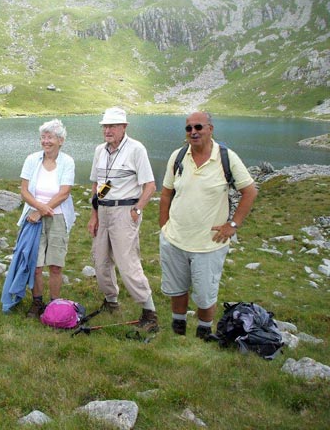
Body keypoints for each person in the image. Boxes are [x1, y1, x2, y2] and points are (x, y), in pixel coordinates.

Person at [159, 111, 258, 338]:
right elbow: (166, 193)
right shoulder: (178, 156)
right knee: (177, 288)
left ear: (210, 129)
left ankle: (204, 330)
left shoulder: (226, 157)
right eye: (188, 128)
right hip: (175, 239)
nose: (193, 132)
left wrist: (232, 224)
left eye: (198, 127)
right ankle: (178, 327)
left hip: (208, 244)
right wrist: (164, 227)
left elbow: (250, 191)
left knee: (205, 295)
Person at [87, 107, 159, 333]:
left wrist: (137, 209)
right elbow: (98, 185)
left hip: (125, 211)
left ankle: (149, 311)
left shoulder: (136, 149)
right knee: (100, 262)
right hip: (104, 211)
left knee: (127, 263)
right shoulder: (100, 150)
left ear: (124, 127)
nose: (107, 130)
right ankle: (111, 302)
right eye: (105, 126)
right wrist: (94, 214)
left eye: (112, 126)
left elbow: (150, 185)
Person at [16, 118, 76, 318]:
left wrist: (41, 211)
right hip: (33, 218)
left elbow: (64, 193)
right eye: (43, 137)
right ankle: (37, 302)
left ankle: (55, 304)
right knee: (35, 264)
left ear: (61, 140)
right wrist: (39, 208)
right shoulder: (32, 159)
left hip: (57, 218)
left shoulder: (67, 161)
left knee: (56, 265)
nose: (46, 141)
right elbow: (24, 191)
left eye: (50, 137)